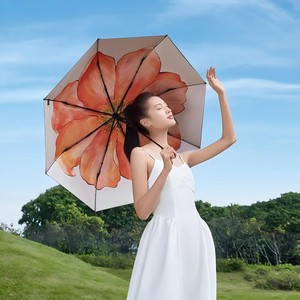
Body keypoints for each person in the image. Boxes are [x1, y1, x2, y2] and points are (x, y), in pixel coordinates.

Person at [124, 67, 236, 300]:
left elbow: (228, 139)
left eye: (165, 105)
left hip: (195, 233)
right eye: (158, 107)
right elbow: (142, 211)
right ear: (146, 121)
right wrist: (164, 170)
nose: (167, 108)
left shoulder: (184, 157)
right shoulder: (140, 154)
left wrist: (221, 94)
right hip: (165, 236)